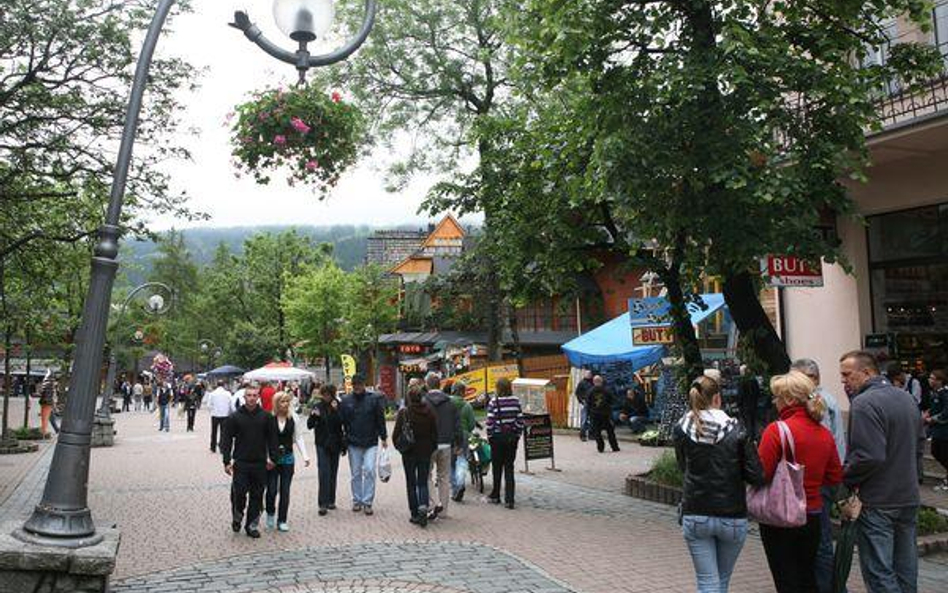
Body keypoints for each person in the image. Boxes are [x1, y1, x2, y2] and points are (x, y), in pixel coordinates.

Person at [674, 375, 764, 593]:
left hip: (695, 511)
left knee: (707, 581)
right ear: (717, 398)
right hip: (732, 514)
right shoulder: (737, 429)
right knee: (720, 581)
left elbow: (683, 466)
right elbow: (757, 475)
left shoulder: (682, 428)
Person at [840, 350, 920, 592]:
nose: (843, 381)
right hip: (907, 495)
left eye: (847, 375)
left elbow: (869, 456)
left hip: (878, 499)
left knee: (879, 571)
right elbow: (918, 445)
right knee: (906, 567)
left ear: (866, 372)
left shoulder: (864, 403)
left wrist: (845, 476)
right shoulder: (905, 398)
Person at [758, 371, 842, 593]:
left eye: (776, 397)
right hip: (812, 512)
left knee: (786, 578)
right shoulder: (824, 434)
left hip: (780, 516)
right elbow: (834, 476)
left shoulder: (776, 431)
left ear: (789, 399)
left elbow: (762, 474)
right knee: (807, 576)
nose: (774, 402)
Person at [790, 358, 846, 593]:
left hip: (819, 481)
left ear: (812, 379)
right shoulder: (820, 400)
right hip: (822, 480)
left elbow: (823, 445)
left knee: (821, 541)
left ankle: (826, 587)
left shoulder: (819, 403)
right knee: (816, 539)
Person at [221, 385, 278, 538]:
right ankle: (237, 516)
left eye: (254, 395)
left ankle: (251, 524)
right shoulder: (235, 417)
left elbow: (273, 439)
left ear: (258, 397)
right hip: (241, 463)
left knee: (257, 496)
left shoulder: (266, 417)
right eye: (249, 395)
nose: (252, 398)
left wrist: (273, 458)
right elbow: (226, 440)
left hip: (260, 463)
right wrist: (226, 461)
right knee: (239, 494)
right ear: (244, 397)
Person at [339, 373, 388, 515]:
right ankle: (357, 500)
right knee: (355, 473)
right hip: (353, 442)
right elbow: (341, 421)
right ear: (352, 386)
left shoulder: (373, 399)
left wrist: (383, 437)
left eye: (359, 385)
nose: (357, 387)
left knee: (370, 470)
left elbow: (380, 419)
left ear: (364, 385)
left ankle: (367, 502)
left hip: (371, 441)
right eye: (355, 385)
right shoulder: (346, 400)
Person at [393, 382, 438, 527]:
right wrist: (431, 448)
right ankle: (423, 507)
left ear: (409, 398)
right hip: (425, 451)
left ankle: (414, 513)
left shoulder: (404, 412)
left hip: (409, 452)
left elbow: (395, 435)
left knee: (411, 483)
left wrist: (401, 448)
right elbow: (435, 434)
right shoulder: (429, 412)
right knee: (422, 481)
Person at [265, 392, 310, 531]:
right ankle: (270, 513)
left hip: (288, 459)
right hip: (272, 460)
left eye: (287, 402)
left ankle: (282, 519)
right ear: (276, 403)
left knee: (285, 491)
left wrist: (305, 456)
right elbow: (264, 440)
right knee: (271, 490)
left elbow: (298, 437)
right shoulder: (269, 418)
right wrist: (266, 457)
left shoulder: (294, 418)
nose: (285, 405)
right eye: (282, 402)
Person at [422, 371, 461, 520]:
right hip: (446, 444)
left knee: (427, 475)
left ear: (427, 385)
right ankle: (444, 511)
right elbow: (457, 425)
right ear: (440, 385)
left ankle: (433, 502)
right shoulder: (450, 403)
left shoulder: (424, 402)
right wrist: (458, 443)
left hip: (429, 444)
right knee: (444, 477)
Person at [485, 377, 523, 509]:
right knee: (509, 467)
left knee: (497, 467)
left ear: (498, 388)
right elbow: (520, 420)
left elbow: (490, 422)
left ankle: (495, 495)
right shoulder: (516, 401)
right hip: (511, 438)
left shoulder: (493, 402)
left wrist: (490, 435)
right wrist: (517, 434)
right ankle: (510, 498)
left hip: (497, 438)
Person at [308, 384, 345, 515]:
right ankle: (322, 503)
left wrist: (335, 411)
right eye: (324, 394)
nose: (326, 397)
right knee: (324, 472)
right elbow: (309, 425)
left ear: (333, 394)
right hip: (321, 443)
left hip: (335, 443)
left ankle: (331, 500)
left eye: (328, 394)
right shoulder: (317, 406)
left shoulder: (338, 405)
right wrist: (313, 416)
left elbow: (342, 422)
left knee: (333, 471)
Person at [450, 381, 476, 502]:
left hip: (449, 434)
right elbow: (471, 425)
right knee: (461, 460)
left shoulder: (448, 402)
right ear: (463, 392)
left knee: (450, 463)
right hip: (464, 435)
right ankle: (461, 484)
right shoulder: (467, 406)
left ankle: (455, 488)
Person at [927, 369, 948, 492]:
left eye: (932, 378)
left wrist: (933, 419)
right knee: (935, 452)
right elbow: (934, 408)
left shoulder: (945, 394)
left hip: (944, 431)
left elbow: (946, 412)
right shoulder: (934, 393)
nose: (929, 380)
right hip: (936, 430)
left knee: (944, 454)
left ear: (939, 381)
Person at [588, 375, 620, 453]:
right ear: (601, 381)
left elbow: (588, 402)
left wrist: (591, 410)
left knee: (597, 432)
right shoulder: (606, 390)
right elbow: (612, 400)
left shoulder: (590, 391)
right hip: (605, 414)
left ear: (593, 382)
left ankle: (600, 447)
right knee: (610, 431)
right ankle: (614, 447)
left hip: (595, 414)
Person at [207, 381, 233, 453]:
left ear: (217, 385)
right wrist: (229, 412)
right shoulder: (228, 394)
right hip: (225, 415)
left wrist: (212, 411)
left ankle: (213, 447)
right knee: (224, 432)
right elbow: (231, 404)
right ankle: (222, 447)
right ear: (224, 385)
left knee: (214, 431)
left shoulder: (212, 394)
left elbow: (209, 405)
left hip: (215, 415)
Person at [574, 369, 594, 441]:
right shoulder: (581, 383)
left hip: (592, 403)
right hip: (585, 403)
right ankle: (582, 435)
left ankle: (591, 435)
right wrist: (581, 401)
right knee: (584, 420)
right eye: (587, 374)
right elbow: (577, 393)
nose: (589, 375)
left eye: (590, 374)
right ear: (585, 375)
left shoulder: (593, 382)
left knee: (592, 419)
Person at [38, 370, 56, 437]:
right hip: (48, 403)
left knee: (46, 417)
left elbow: (43, 393)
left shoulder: (45, 383)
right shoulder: (50, 384)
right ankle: (44, 432)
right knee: (48, 417)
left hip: (44, 402)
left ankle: (44, 432)